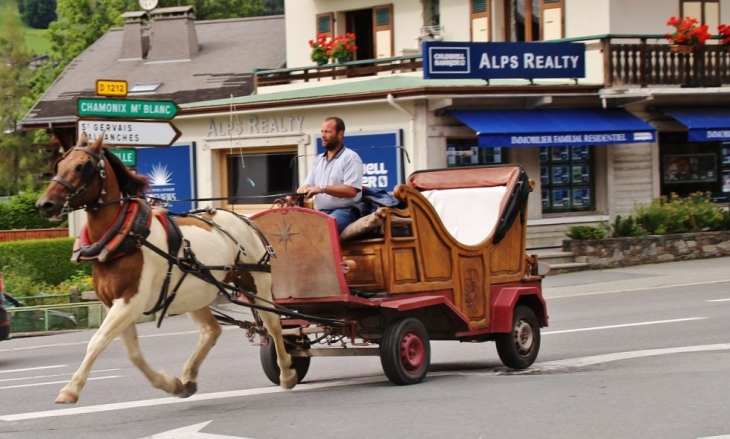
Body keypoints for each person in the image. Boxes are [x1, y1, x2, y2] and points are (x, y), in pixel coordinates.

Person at [297, 117, 364, 234]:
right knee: (299, 231)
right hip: (320, 212)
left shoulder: (350, 157)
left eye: (327, 132)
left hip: (345, 211)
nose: (323, 135)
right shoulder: (318, 160)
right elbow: (308, 184)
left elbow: (351, 190)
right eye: (322, 131)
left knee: (322, 231)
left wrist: (322, 189)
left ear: (340, 134)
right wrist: (303, 189)